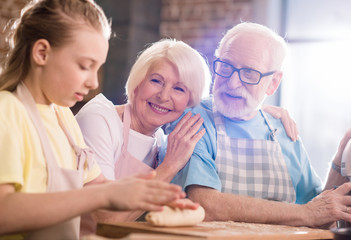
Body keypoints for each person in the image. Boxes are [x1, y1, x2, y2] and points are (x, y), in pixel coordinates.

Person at [0, 1, 195, 239]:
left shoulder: (62, 117)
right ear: (42, 53)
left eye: (98, 68)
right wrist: (105, 195)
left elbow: (97, 185)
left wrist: (152, 194)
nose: (94, 82)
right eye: (85, 66)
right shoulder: (7, 111)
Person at [75, 38, 298, 232]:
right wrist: (169, 167)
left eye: (179, 89)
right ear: (138, 80)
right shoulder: (100, 119)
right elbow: (103, 220)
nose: (164, 96)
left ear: (190, 102)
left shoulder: (162, 141)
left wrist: (259, 112)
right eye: (156, 81)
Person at [163, 22, 351, 228]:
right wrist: (304, 213)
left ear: (273, 83)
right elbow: (204, 203)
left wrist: (338, 164)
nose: (232, 83)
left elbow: (318, 214)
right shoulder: (193, 119)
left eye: (249, 73)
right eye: (226, 66)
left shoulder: (283, 130)